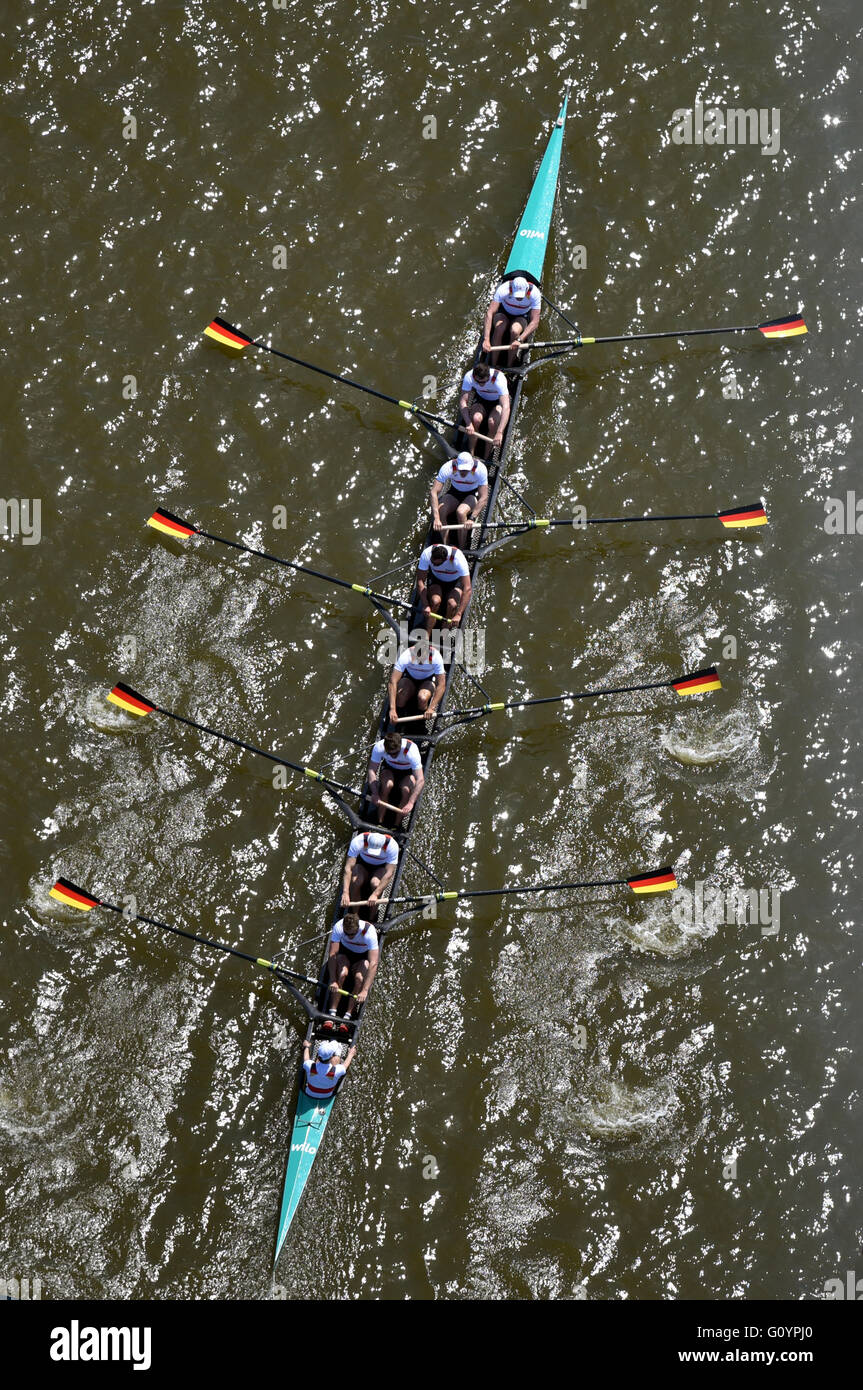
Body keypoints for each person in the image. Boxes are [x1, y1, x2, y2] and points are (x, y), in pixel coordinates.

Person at [323, 910, 380, 1036]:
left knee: (359, 979)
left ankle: (348, 1016)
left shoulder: (368, 932)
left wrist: (365, 990)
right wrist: (332, 980)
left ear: (357, 929)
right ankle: (332, 1013)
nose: (349, 936)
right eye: (346, 934)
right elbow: (332, 954)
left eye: (352, 934)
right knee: (341, 975)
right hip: (345, 954)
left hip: (362, 957)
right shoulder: (339, 927)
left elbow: (374, 963)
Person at [431, 451, 489, 551]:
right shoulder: (448, 467)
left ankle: (461, 548)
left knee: (461, 512)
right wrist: (436, 518)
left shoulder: (480, 469)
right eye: (461, 469)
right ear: (457, 464)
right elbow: (433, 492)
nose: (463, 472)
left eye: (466, 470)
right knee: (441, 511)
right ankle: (446, 546)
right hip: (454, 492)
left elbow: (484, 497)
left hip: (471, 494)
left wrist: (472, 518)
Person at [482, 273, 542, 367]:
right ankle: (493, 364)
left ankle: (509, 367)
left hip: (522, 316)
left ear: (527, 290)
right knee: (499, 328)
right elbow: (490, 313)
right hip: (504, 312)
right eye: (517, 295)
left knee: (514, 331)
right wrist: (486, 339)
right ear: (512, 289)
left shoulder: (535, 293)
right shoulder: (503, 289)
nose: (518, 298)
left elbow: (535, 322)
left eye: (521, 296)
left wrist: (520, 339)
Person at [366, 730, 424, 822]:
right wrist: (375, 793)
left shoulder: (411, 751)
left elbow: (420, 779)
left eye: (395, 753)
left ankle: (397, 825)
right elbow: (372, 770)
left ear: (400, 747)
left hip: (407, 771)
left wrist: (411, 803)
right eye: (389, 753)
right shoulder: (379, 747)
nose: (393, 756)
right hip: (389, 769)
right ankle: (380, 821)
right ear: (385, 748)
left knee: (406, 790)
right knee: (386, 786)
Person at [415, 543, 472, 635]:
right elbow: (420, 581)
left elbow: (468, 588)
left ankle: (445, 626)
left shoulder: (458, 559)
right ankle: (427, 633)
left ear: (445, 560)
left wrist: (459, 615)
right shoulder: (427, 554)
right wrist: (425, 605)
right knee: (435, 602)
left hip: (455, 582)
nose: (433, 564)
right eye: (432, 562)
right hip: (436, 580)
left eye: (436, 564)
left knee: (452, 604)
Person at [388, 638, 446, 726]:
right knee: (400, 697)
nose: (421, 662)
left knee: (423, 698)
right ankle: (398, 720)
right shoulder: (406, 655)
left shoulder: (436, 657)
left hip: (427, 680)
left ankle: (420, 723)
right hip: (409, 678)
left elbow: (441, 685)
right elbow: (393, 681)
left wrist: (431, 708)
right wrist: (392, 709)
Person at [340, 830, 399, 915]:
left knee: (375, 884)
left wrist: (375, 894)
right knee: (356, 882)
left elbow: (389, 874)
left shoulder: (392, 846)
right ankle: (355, 914)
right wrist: (345, 892)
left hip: (380, 867)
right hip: (362, 864)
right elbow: (348, 868)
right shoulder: (358, 841)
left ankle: (372, 917)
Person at [458, 361, 510, 458]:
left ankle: (486, 457)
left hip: (497, 402)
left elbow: (506, 407)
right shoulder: (469, 377)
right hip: (481, 400)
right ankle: (471, 454)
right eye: (478, 382)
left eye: (484, 382)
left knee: (492, 423)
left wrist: (500, 432)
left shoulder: (499, 379)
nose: (481, 384)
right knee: (475, 419)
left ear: (488, 376)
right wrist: (468, 423)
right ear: (474, 377)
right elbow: (463, 401)